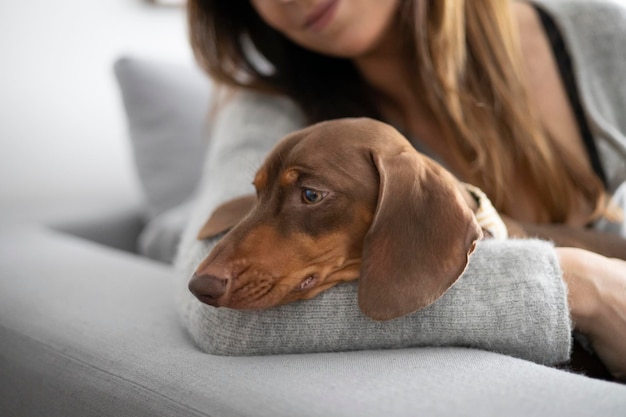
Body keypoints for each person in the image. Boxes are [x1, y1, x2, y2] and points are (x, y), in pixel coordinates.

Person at [176, 0, 626, 380]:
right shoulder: (269, 106)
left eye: (311, 194)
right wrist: (580, 285)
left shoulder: (603, 34)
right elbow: (223, 322)